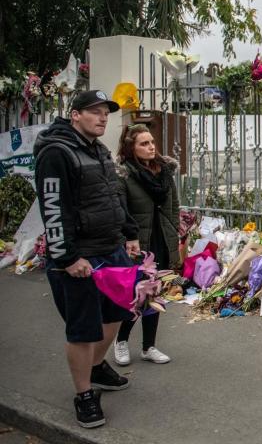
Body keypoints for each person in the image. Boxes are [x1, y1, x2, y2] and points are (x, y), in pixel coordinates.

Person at [34, 90, 142, 429]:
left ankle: (96, 368)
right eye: (94, 112)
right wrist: (67, 256)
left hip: (111, 248)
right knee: (83, 328)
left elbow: (111, 195)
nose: (102, 118)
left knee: (115, 314)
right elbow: (52, 207)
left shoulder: (97, 150)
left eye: (105, 113)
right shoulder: (57, 152)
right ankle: (83, 394)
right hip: (80, 257)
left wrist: (129, 231)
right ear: (75, 115)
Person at [113, 124, 181, 366]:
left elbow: (173, 207)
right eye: (144, 143)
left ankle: (148, 346)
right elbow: (119, 211)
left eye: (152, 142)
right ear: (132, 148)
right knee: (135, 296)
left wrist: (175, 232)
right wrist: (125, 242)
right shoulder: (124, 175)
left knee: (155, 295)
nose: (151, 147)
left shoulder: (164, 171)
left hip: (161, 239)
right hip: (138, 244)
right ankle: (120, 341)